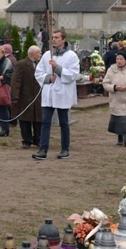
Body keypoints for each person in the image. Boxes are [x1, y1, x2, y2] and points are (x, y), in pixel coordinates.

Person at [32, 30, 79, 160]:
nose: (54, 40)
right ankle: (43, 149)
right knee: (45, 122)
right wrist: (47, 78)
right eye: (53, 37)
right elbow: (38, 72)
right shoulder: (47, 54)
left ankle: (65, 148)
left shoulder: (71, 56)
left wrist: (57, 68)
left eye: (57, 37)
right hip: (49, 92)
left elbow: (73, 74)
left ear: (64, 39)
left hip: (63, 93)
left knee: (63, 122)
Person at [11, 46, 43, 149]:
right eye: (39, 53)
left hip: (38, 97)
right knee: (25, 120)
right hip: (25, 97)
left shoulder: (40, 64)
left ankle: (38, 139)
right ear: (32, 54)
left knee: (38, 119)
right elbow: (16, 81)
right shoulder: (22, 64)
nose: (40, 55)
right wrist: (15, 96)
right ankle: (26, 140)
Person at [102, 51, 126, 146]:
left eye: (121, 59)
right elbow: (105, 83)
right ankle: (120, 138)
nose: (119, 61)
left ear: (125, 60)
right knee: (118, 117)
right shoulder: (111, 69)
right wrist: (114, 87)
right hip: (116, 97)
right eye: (117, 59)